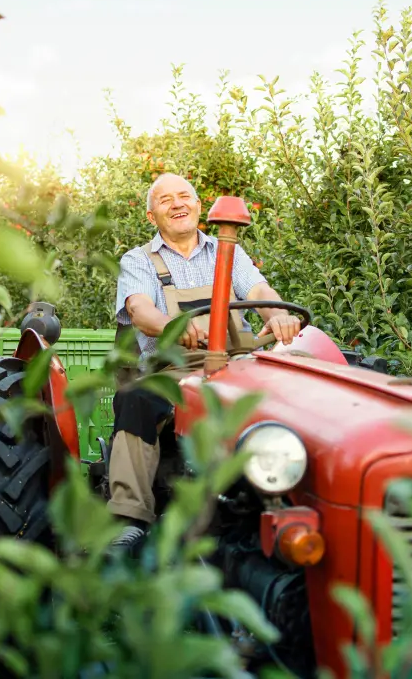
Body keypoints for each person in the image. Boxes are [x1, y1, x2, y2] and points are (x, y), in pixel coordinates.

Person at [107, 173, 302, 547]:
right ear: (151, 216)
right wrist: (172, 325)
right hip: (175, 370)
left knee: (292, 397)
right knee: (136, 400)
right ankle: (128, 517)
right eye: (165, 200)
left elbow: (258, 290)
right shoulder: (139, 260)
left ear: (198, 206)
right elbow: (140, 309)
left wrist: (277, 315)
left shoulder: (227, 251)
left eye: (184, 196)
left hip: (239, 364)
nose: (177, 204)